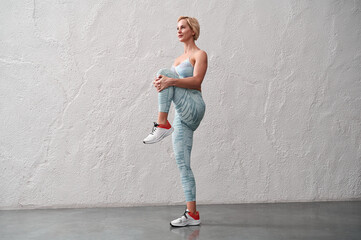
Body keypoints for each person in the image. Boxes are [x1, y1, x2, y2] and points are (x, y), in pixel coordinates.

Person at [143, 16, 207, 227]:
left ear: (192, 30)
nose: (178, 31)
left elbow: (197, 82)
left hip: (194, 106)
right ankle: (193, 214)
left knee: (164, 73)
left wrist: (169, 79)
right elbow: (172, 86)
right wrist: (162, 85)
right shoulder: (177, 61)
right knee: (183, 164)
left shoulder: (200, 54)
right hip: (181, 114)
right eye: (177, 28)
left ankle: (162, 124)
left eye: (183, 27)